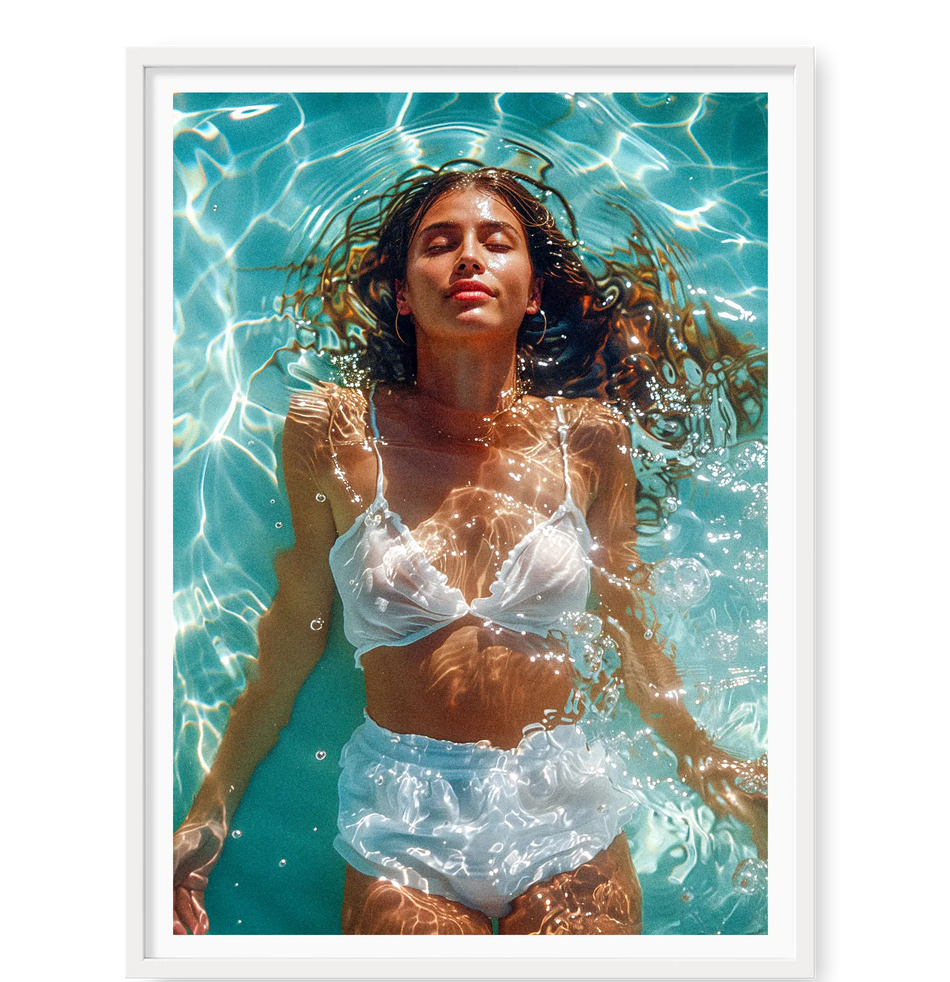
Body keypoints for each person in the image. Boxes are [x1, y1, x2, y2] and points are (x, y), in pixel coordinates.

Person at [173, 165, 768, 936]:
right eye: (440, 243)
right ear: (401, 291)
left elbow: (628, 623)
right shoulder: (330, 430)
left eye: (497, 242)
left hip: (565, 804)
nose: (468, 258)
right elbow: (297, 625)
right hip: (402, 810)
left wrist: (706, 761)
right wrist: (208, 812)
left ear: (531, 292)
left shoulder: (591, 438)